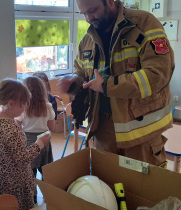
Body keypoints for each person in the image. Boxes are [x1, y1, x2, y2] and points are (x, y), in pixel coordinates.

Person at [57, 0, 174, 167]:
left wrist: (107, 85)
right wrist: (74, 82)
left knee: (141, 189)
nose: (88, 18)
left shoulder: (144, 24)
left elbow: (158, 74)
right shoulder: (88, 39)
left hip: (141, 133)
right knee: (107, 187)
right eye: (83, 14)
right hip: (103, 130)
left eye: (92, 10)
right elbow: (82, 72)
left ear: (110, 2)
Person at [0, 78, 51, 210]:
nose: (25, 107)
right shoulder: (12, 128)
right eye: (23, 104)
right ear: (11, 104)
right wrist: (39, 144)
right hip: (16, 184)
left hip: (2, 180)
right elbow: (23, 159)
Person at [16, 76, 55, 204]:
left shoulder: (23, 109)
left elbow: (17, 126)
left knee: (29, 173)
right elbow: (51, 127)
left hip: (28, 142)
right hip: (44, 141)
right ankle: (48, 195)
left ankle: (32, 198)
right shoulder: (48, 107)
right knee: (46, 171)